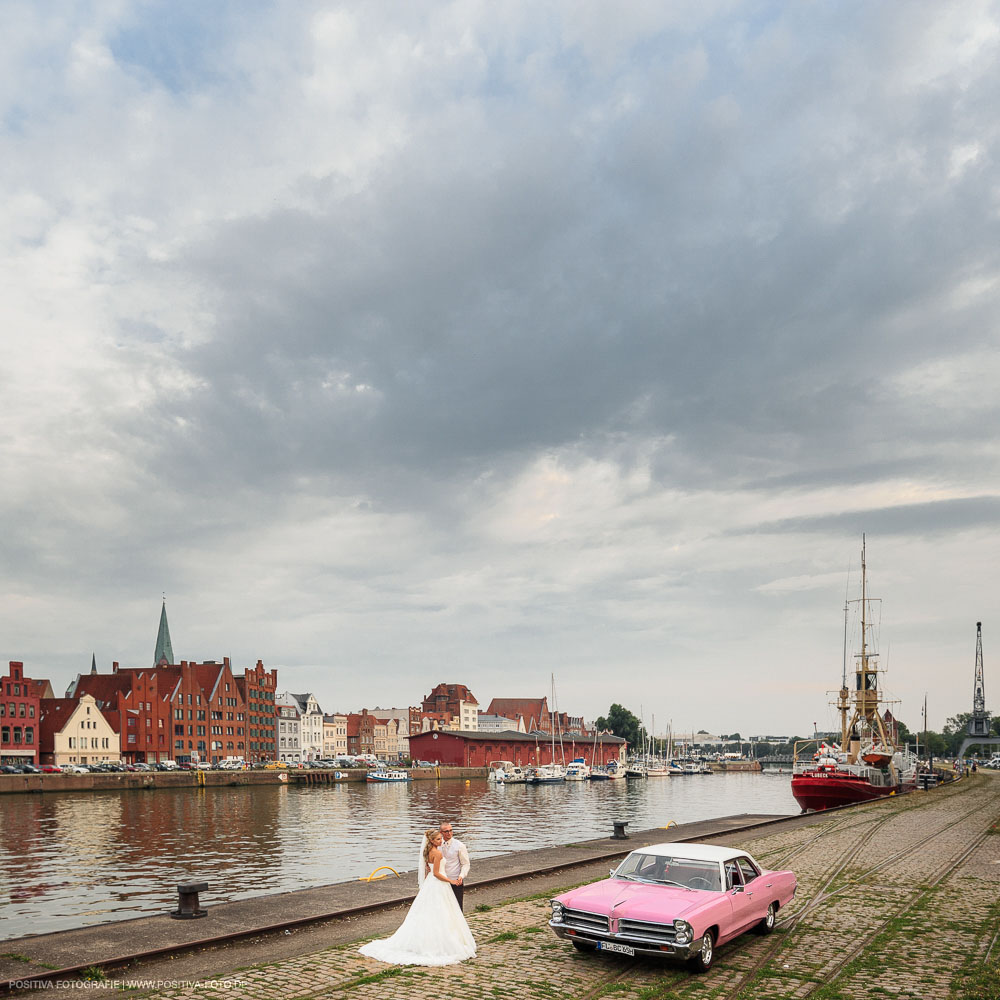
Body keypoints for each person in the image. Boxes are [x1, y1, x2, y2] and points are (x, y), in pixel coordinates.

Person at [358, 829, 476, 966]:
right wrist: (451, 881)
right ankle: (439, 942)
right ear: (431, 841)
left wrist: (427, 884)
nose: (441, 841)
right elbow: (437, 873)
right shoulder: (437, 853)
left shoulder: (427, 853)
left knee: (430, 912)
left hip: (431, 884)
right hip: (439, 884)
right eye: (438, 839)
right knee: (442, 911)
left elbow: (428, 871)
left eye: (440, 839)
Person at [439, 820, 471, 911]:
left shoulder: (460, 845)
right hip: (441, 881)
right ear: (441, 833)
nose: (449, 833)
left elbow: (465, 864)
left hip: (456, 881)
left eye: (451, 830)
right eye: (446, 831)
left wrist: (461, 876)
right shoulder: (437, 845)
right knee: (443, 908)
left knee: (457, 908)